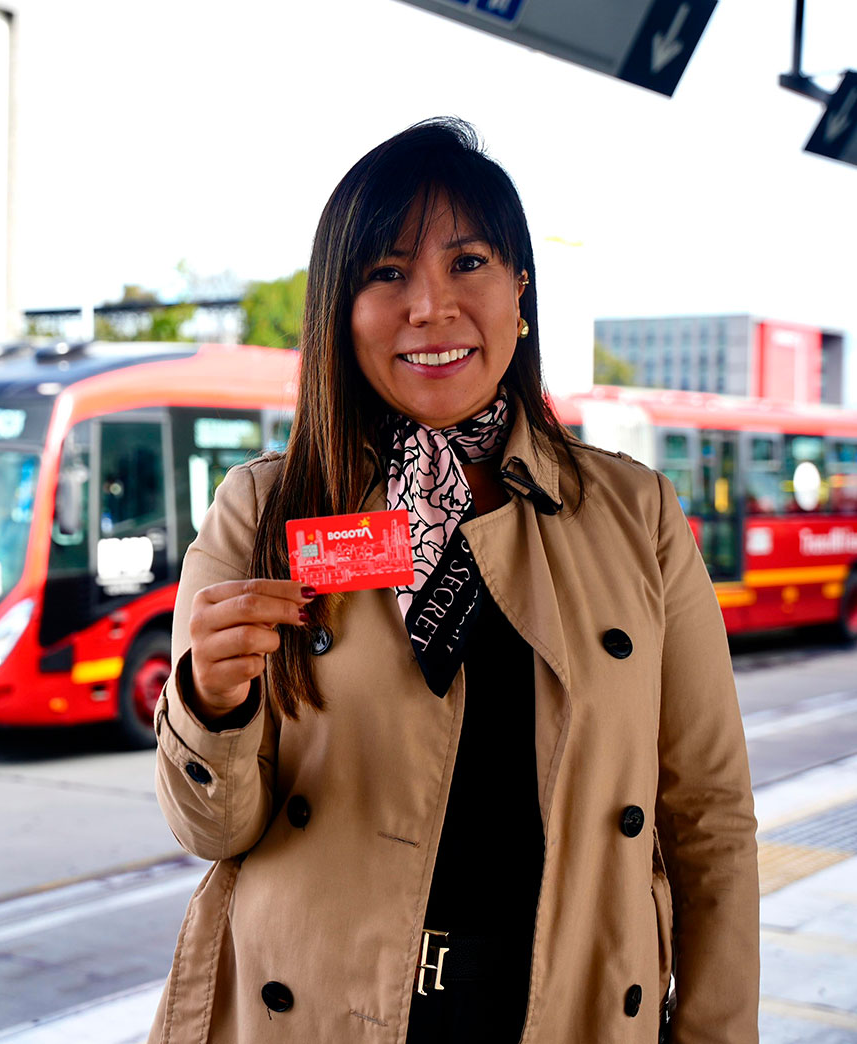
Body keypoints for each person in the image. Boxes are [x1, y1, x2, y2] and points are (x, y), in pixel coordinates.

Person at [148, 119, 757, 1044]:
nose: (429, 307)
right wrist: (211, 703)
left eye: (467, 262)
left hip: (568, 1011)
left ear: (520, 289)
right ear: (340, 309)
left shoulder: (636, 518)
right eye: (386, 273)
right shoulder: (263, 510)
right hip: (317, 1013)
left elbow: (708, 817)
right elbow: (209, 831)